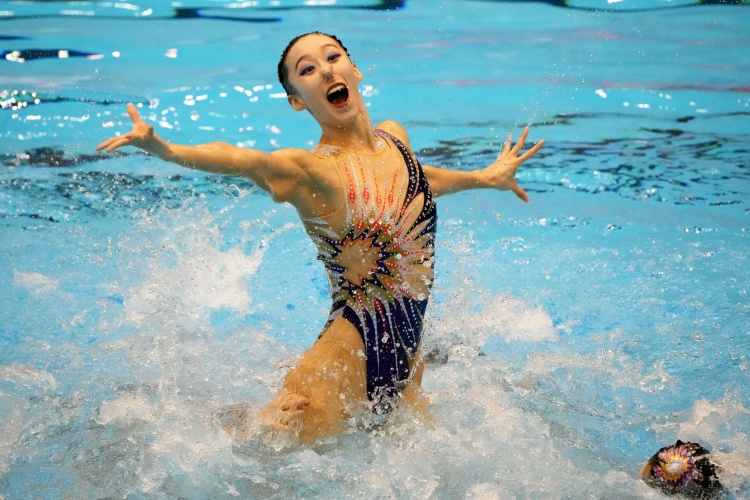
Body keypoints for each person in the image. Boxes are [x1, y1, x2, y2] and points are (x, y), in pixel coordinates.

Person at [97, 31, 544, 444]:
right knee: (256, 459)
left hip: (406, 367)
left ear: (355, 69)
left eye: (333, 57)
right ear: (297, 101)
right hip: (335, 371)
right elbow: (244, 160)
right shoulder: (313, 173)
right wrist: (166, 150)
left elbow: (414, 182)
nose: (326, 69)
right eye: (307, 70)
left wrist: (484, 177)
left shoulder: (396, 141)